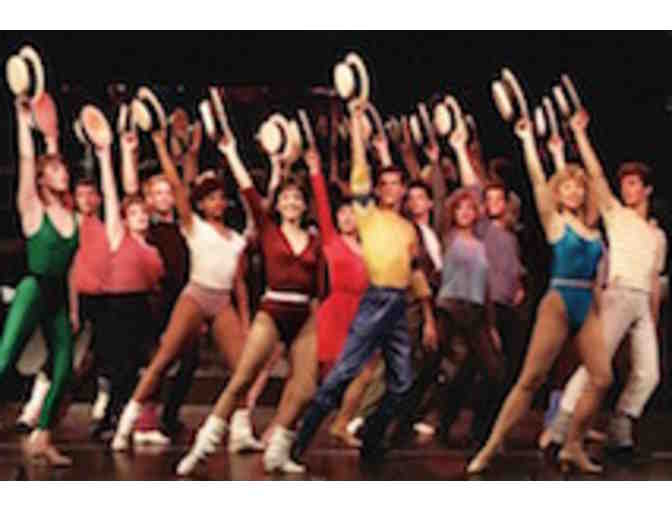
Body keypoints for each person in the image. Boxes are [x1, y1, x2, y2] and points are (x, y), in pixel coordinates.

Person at [289, 102, 437, 469]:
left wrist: (429, 317)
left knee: (402, 384)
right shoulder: (368, 216)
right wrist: (356, 125)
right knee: (342, 374)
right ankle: (299, 442)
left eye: (395, 184)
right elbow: (359, 171)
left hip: (399, 303)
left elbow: (415, 272)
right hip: (375, 300)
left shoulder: (408, 228)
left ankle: (372, 439)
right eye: (383, 184)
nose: (389, 189)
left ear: (402, 189)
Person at [176, 119, 322, 476]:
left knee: (305, 388)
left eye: (297, 199)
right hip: (272, 311)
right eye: (286, 198)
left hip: (303, 315)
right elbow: (248, 192)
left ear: (304, 205)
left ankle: (278, 450)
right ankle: (203, 447)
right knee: (242, 380)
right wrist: (230, 153)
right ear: (279, 204)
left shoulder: (314, 239)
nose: (291, 202)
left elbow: (318, 285)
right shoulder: (268, 229)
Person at [467, 116, 612, 474]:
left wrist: (578, 138)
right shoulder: (555, 223)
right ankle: (489, 447)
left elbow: (597, 178)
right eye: (567, 187)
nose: (574, 192)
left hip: (587, 302)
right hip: (559, 301)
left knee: (602, 377)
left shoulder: (594, 227)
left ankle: (573, 445)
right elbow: (537, 181)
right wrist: (529, 141)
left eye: (578, 188)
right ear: (558, 193)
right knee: (530, 379)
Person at [111, 129, 250, 452]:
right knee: (162, 360)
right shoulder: (193, 227)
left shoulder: (237, 239)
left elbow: (239, 282)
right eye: (210, 198)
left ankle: (240, 430)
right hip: (195, 296)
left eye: (221, 197)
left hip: (221, 302)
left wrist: (244, 318)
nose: (217, 203)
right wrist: (161, 146)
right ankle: (127, 423)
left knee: (242, 368)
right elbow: (177, 186)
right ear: (201, 204)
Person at [544, 112, 665, 463]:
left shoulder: (657, 235)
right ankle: (560, 427)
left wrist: (652, 320)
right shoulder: (616, 214)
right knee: (595, 366)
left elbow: (654, 280)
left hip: (642, 304)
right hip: (618, 295)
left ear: (647, 190)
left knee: (649, 374)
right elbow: (595, 176)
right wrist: (580, 135)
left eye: (633, 184)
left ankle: (620, 429)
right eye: (624, 184)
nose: (627, 189)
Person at [0, 97, 79, 465]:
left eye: (64, 168)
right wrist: (22, 120)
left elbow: (71, 267)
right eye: (57, 170)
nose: (64, 173)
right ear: (43, 178)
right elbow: (27, 160)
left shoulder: (70, 213)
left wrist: (73, 308)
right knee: (4, 360)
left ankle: (42, 436)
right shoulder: (32, 208)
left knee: (64, 368)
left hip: (58, 296)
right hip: (33, 290)